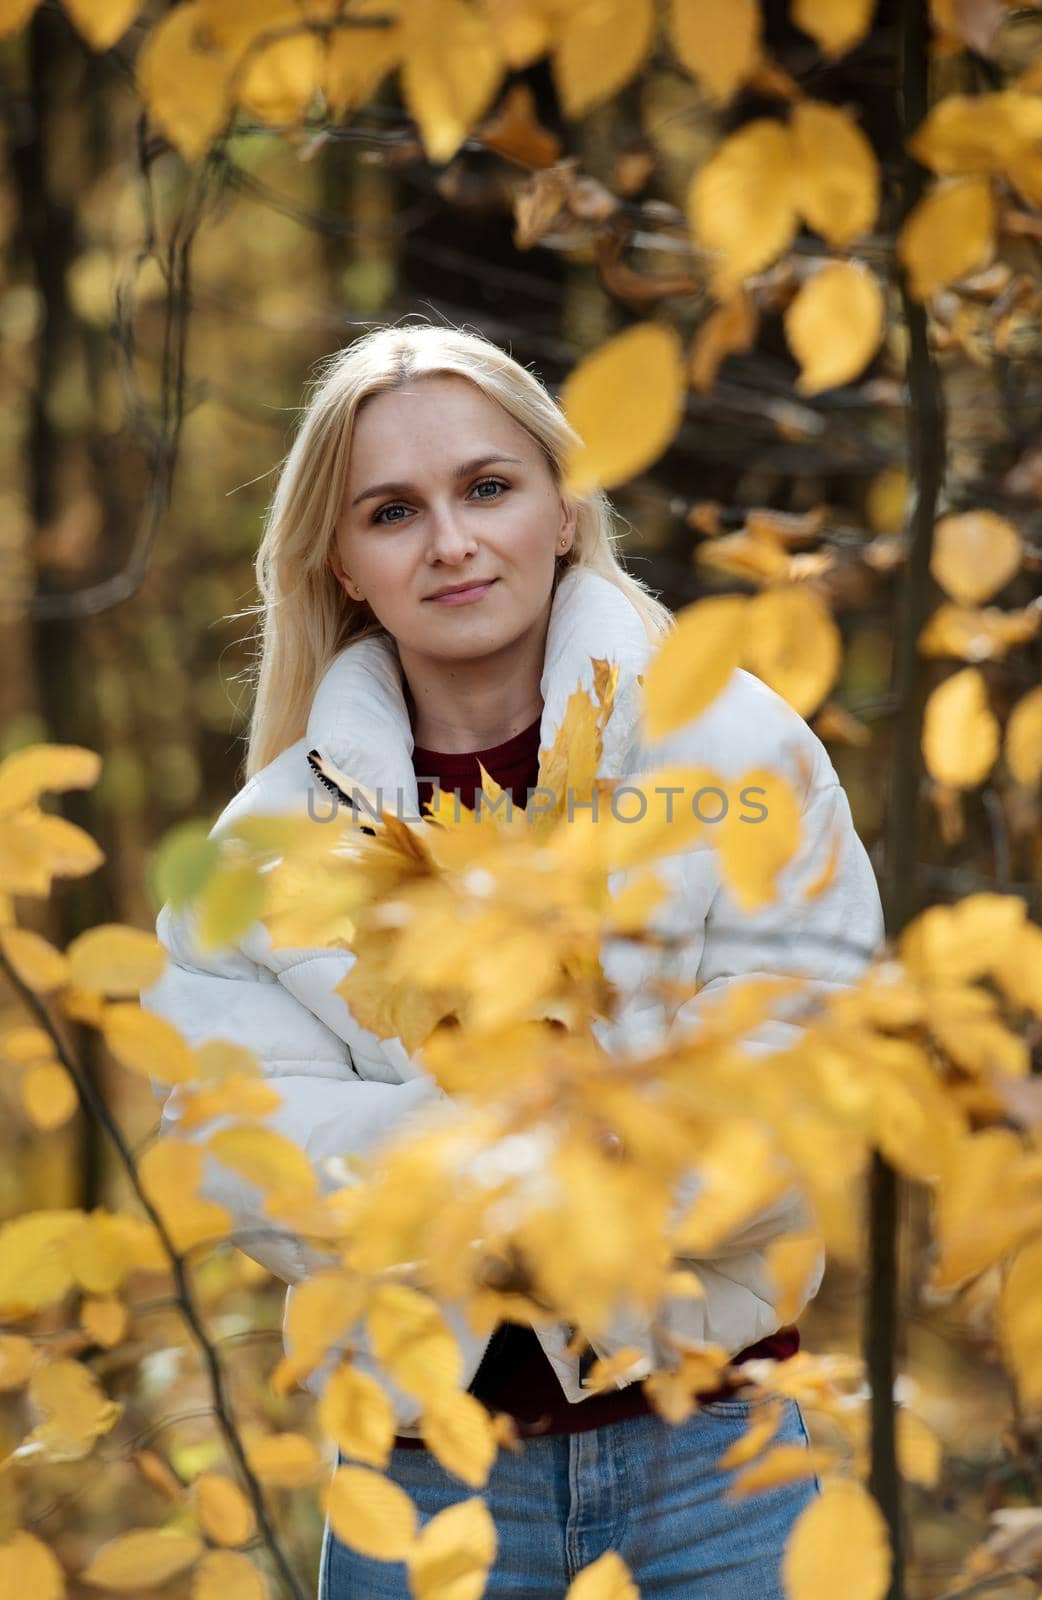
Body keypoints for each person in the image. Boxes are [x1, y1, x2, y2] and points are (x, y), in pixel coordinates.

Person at [140, 321, 885, 1598]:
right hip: (426, 1486)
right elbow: (238, 1148)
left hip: (725, 1461)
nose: (452, 540)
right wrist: (571, 1143)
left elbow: (813, 1073)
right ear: (342, 563)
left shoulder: (736, 752)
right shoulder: (266, 845)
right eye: (393, 510)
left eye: (488, 487)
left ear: (561, 509)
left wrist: (455, 1156)